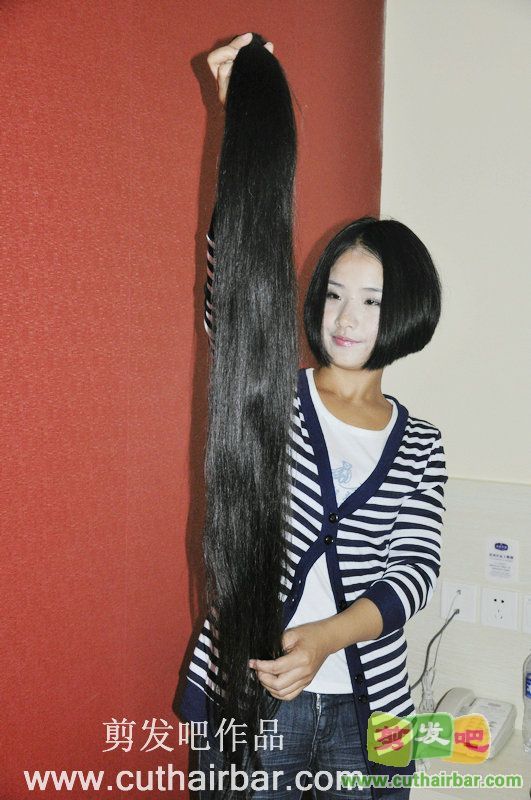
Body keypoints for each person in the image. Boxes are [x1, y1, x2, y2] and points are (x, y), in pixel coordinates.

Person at [179, 33, 448, 800]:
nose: (345, 315)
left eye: (370, 300)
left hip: (374, 708)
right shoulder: (271, 395)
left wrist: (327, 639)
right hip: (255, 690)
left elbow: (414, 570)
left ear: (409, 310)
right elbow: (235, 290)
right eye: (333, 293)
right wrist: (244, 130)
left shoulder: (421, 445)